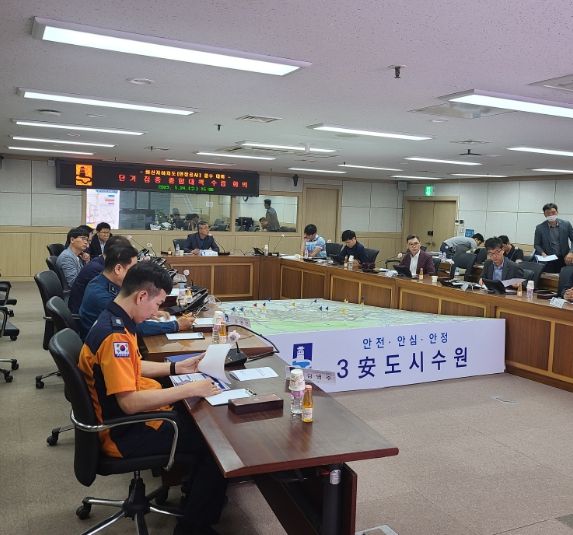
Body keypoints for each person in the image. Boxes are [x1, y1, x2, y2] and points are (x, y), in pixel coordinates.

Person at [78, 262, 227, 535]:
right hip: (124, 433)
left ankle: (194, 498)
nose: (156, 312)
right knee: (216, 444)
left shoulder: (115, 319)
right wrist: (190, 389)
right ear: (142, 296)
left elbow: (132, 367)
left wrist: (176, 368)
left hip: (126, 421)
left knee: (200, 422)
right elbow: (129, 403)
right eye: (156, 304)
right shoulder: (115, 337)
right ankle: (192, 527)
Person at [79, 245, 194, 338]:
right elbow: (134, 327)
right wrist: (176, 325)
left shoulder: (106, 282)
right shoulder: (100, 295)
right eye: (133, 268)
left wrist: (147, 312)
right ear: (118, 269)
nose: (138, 272)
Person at [68, 235, 131, 314]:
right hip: (81, 313)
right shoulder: (97, 269)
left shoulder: (100, 261)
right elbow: (113, 296)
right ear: (119, 254)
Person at [533, 203, 573, 273]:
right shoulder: (540, 228)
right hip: (548, 258)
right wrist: (542, 252)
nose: (551, 215)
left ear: (557, 212)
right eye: (548, 213)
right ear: (544, 214)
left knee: (563, 277)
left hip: (564, 258)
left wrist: (571, 253)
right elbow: (536, 244)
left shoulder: (566, 224)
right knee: (549, 278)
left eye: (553, 212)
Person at [56, 227, 90, 291]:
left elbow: (84, 274)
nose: (86, 242)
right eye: (83, 239)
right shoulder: (66, 257)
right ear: (72, 240)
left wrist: (87, 261)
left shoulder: (78, 256)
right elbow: (74, 283)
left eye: (87, 240)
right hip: (74, 293)